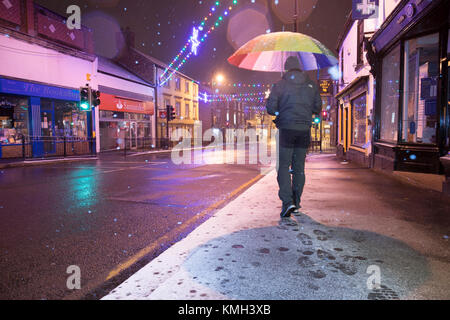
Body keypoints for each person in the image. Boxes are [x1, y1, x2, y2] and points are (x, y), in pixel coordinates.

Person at [266, 56, 322, 218]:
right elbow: (317, 107)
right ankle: (296, 203)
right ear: (300, 68)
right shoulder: (311, 85)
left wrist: (280, 110)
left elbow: (270, 108)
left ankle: (287, 202)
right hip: (304, 129)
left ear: (286, 69)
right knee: (299, 168)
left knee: (283, 166)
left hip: (286, 129)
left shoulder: (279, 85)